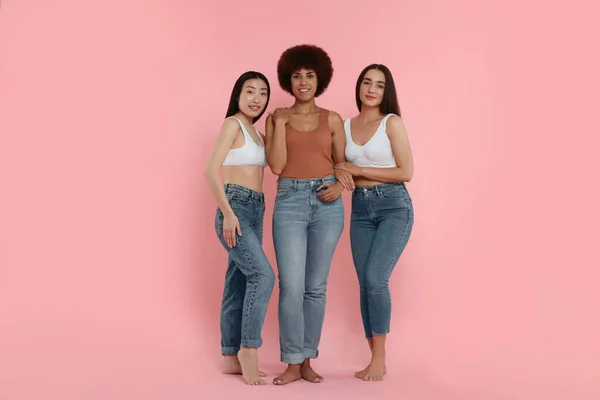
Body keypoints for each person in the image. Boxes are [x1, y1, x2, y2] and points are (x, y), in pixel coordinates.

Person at [265, 44, 355, 385]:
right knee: (291, 285)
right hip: (289, 199)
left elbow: (342, 162)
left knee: (315, 287)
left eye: (310, 75)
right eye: (297, 76)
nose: (303, 81)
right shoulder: (277, 118)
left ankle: (306, 359)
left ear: (321, 79)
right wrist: (283, 124)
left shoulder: (332, 119)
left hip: (327, 202)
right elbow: (276, 165)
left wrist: (338, 184)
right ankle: (290, 361)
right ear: (289, 80)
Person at [334, 64, 414, 381]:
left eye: (379, 86)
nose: (371, 89)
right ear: (359, 87)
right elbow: (339, 165)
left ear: (386, 92)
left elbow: (405, 172)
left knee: (376, 278)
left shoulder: (391, 123)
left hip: (393, 206)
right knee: (365, 284)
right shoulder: (345, 125)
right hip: (360, 209)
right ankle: (373, 358)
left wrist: (359, 171)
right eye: (367, 83)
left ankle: (380, 358)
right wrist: (342, 172)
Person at [203, 71, 275, 385]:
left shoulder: (257, 134)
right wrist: (228, 213)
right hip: (235, 206)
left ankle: (229, 355)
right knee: (263, 275)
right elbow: (210, 170)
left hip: (256, 207)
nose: (256, 99)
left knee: (238, 282)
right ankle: (248, 348)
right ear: (238, 95)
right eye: (250, 91)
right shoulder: (232, 124)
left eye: (262, 93)